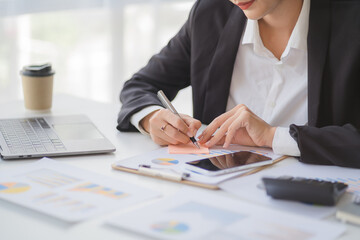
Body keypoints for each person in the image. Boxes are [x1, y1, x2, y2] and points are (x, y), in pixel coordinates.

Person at [117, 0, 360, 168]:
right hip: (218, 199)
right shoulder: (211, 14)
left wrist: (272, 137)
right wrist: (153, 118)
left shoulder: (351, 21)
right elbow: (141, 85)